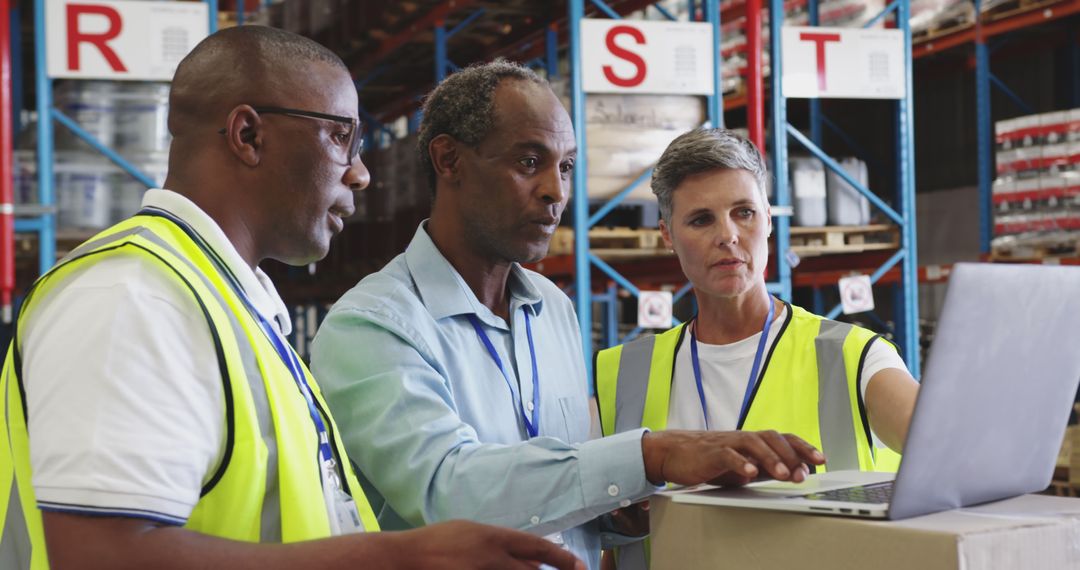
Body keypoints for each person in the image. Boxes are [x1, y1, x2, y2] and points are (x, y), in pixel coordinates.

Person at [0, 26, 585, 570]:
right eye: (341, 137)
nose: (360, 174)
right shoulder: (134, 298)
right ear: (248, 136)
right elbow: (101, 555)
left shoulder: (231, 304)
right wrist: (395, 558)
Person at [309, 60, 826, 570]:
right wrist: (650, 456)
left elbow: (557, 486)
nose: (556, 192)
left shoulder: (551, 310)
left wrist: (617, 512)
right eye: (530, 162)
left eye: (566, 166)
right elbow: (448, 491)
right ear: (449, 160)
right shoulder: (373, 325)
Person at [594, 127, 920, 567]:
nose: (727, 235)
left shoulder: (854, 355)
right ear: (668, 234)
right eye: (701, 219)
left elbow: (940, 447)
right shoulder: (620, 374)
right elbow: (609, 543)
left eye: (744, 212)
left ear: (768, 219)